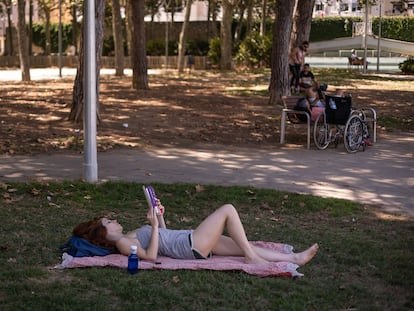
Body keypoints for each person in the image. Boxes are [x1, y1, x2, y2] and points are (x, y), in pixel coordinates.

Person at [73, 202, 319, 266]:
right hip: (190, 245)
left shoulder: (129, 236)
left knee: (242, 245)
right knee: (227, 210)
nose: (115, 221)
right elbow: (150, 256)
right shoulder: (124, 244)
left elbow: (165, 239)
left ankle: (294, 259)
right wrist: (155, 227)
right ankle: (251, 258)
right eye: (109, 221)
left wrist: (159, 216)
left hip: (187, 241)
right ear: (102, 233)